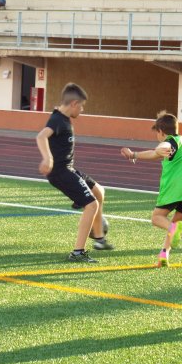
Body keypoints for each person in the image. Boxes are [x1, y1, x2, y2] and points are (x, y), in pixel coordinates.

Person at [36, 83, 114, 263]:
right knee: (91, 205)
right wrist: (47, 158)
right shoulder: (57, 120)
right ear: (74, 103)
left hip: (68, 168)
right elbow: (41, 136)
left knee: (99, 192)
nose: (82, 109)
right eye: (81, 106)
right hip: (60, 172)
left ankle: (99, 239)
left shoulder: (62, 118)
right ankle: (78, 252)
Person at [120, 112, 182, 268]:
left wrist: (161, 146)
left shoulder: (170, 142)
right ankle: (164, 257)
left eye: (157, 133)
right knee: (175, 225)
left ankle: (169, 240)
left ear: (161, 132)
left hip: (178, 186)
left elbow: (164, 146)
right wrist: (134, 155)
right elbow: (155, 154)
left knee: (157, 217)